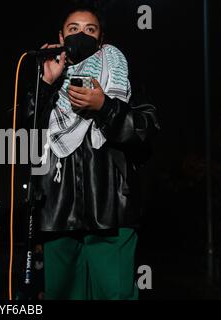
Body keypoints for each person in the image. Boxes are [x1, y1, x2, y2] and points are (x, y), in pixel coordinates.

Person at [27, 2, 160, 300]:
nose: (81, 34)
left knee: (115, 293)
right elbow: (28, 139)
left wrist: (105, 107)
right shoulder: (47, 80)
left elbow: (145, 130)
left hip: (111, 208)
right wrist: (45, 86)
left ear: (101, 38)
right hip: (58, 211)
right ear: (61, 37)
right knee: (61, 295)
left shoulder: (122, 75)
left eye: (90, 29)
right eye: (73, 29)